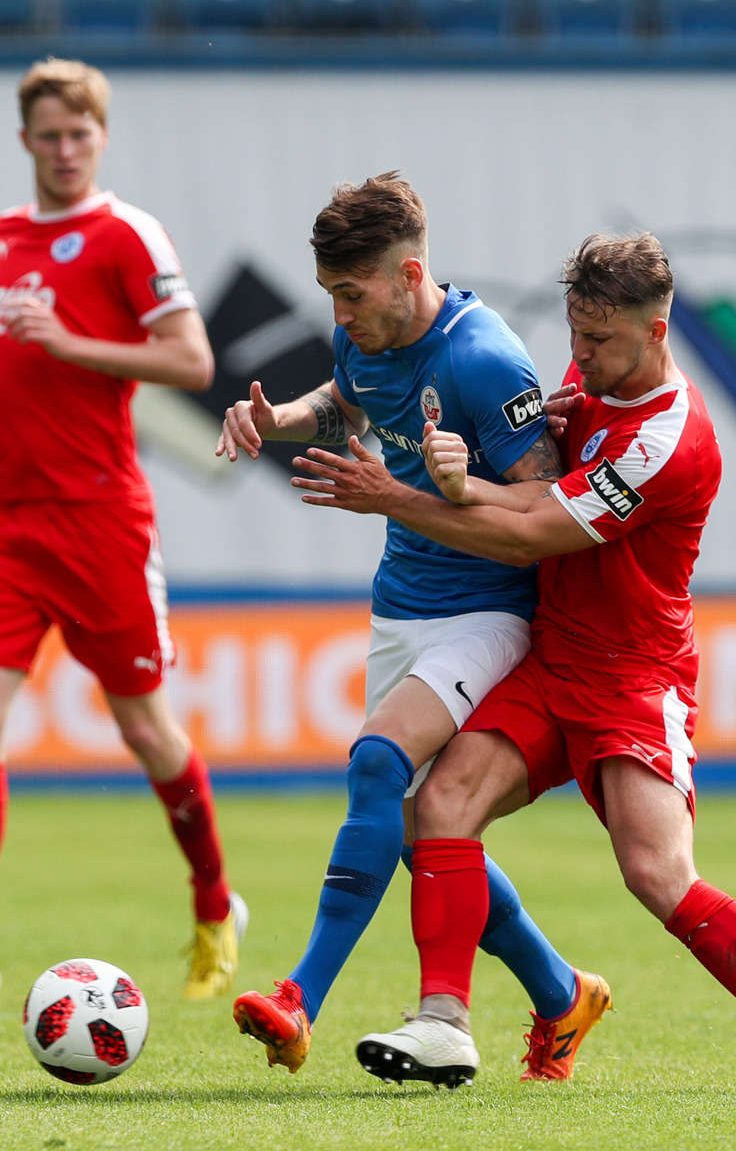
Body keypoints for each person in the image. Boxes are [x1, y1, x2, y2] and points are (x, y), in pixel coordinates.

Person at [293, 232, 736, 1096]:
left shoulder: (668, 442)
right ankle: (442, 1021)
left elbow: (535, 530)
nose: (579, 356)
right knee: (440, 806)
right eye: (574, 333)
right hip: (554, 658)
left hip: (634, 678)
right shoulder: (586, 388)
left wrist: (405, 496)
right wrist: (464, 483)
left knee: (656, 874)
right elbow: (533, 492)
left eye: (598, 341)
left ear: (658, 328)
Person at [214, 173, 608, 1080]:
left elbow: (549, 503)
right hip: (402, 610)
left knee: (377, 764)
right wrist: (282, 419)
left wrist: (458, 479)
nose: (342, 316)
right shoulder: (368, 334)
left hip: (489, 611)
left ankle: (298, 999)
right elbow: (352, 397)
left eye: (352, 296)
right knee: (413, 831)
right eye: (332, 298)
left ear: (409, 273)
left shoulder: (484, 360)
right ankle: (560, 992)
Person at [0, 56, 245, 1004]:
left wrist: (70, 343)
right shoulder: (5, 235)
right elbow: (17, 352)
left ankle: (214, 900)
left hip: (99, 519)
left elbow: (190, 358)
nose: (65, 149)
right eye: (48, 135)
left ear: (101, 137)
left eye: (79, 134)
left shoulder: (127, 234)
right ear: (25, 141)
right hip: (7, 520)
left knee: (145, 729)